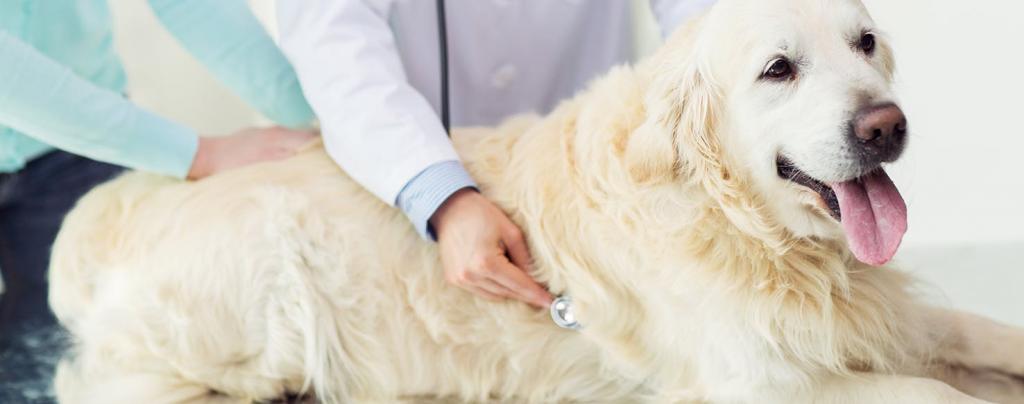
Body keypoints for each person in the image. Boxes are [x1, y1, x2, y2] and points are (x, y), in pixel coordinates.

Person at [277, 0, 714, 308]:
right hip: (409, 173)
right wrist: (441, 196)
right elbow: (334, 47)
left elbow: (712, 22)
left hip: (583, 185)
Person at [0, 0, 315, 400]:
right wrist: (199, 154)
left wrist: (319, 122)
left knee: (60, 375)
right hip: (86, 126)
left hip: (76, 145)